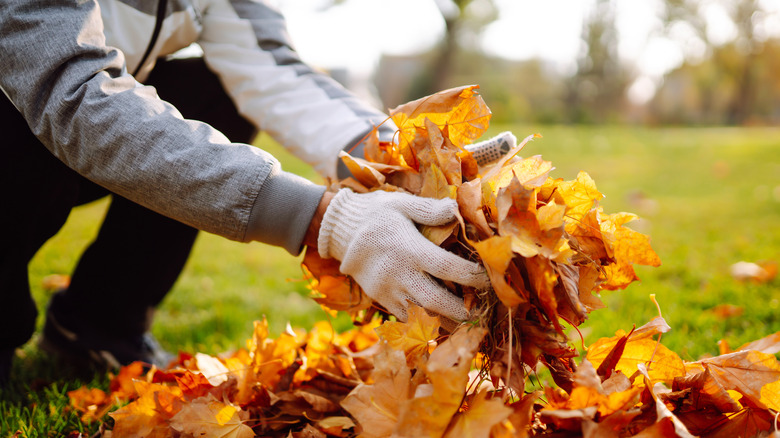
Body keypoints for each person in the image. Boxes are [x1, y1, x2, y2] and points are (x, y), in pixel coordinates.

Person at [0, 0, 510, 383]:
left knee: (211, 89)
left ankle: (99, 322)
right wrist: (326, 220)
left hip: (79, 127)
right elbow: (70, 92)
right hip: (28, 115)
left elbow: (271, 69)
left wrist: (401, 153)